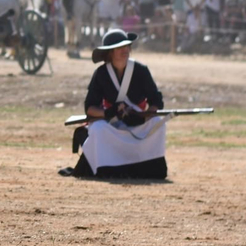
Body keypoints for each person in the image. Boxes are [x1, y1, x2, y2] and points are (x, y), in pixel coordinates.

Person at [64, 28, 168, 179]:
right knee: (98, 128)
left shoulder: (141, 70)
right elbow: (90, 108)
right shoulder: (101, 74)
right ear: (110, 52)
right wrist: (108, 113)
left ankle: (151, 169)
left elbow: (156, 100)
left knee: (158, 123)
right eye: (119, 47)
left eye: (126, 46)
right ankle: (106, 169)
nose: (125, 50)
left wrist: (144, 116)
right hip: (112, 123)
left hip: (138, 122)